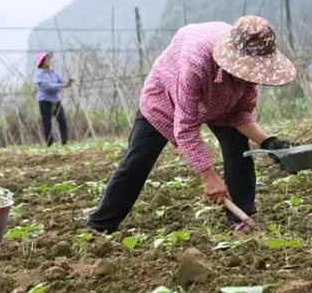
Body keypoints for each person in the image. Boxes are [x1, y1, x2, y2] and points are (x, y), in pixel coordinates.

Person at [87, 15, 296, 235]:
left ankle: (241, 219)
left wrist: (269, 142)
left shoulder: (249, 75)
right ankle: (100, 227)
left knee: (238, 147)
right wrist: (209, 177)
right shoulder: (195, 63)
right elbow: (185, 128)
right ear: (234, 59)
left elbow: (241, 115)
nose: (253, 77)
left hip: (220, 102)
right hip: (166, 98)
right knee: (138, 160)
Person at [33, 52, 72, 146]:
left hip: (56, 100)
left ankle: (64, 141)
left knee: (62, 120)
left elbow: (60, 80)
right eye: (47, 59)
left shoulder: (53, 72)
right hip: (45, 101)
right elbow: (46, 87)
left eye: (49, 59)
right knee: (47, 122)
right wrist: (62, 86)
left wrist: (67, 82)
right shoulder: (38, 75)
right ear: (42, 62)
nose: (49, 61)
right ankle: (49, 143)